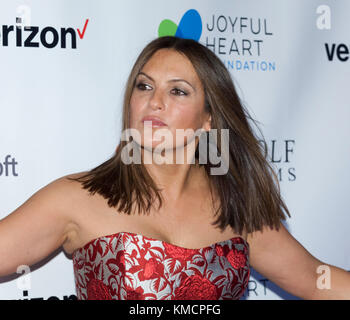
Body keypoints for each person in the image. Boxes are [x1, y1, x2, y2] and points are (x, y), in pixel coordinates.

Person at [0, 36, 349, 300]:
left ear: (209, 119)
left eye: (178, 91)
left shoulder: (237, 209)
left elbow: (317, 281)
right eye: (144, 85)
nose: (155, 101)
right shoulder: (75, 198)